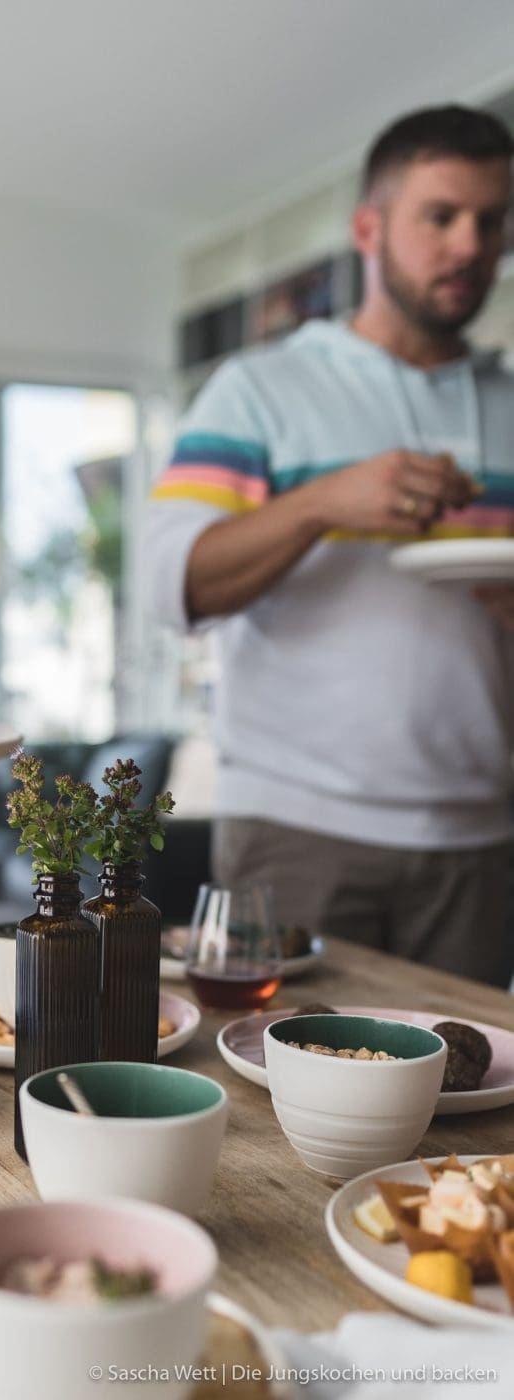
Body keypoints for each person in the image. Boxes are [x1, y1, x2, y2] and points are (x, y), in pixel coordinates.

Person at [146, 104, 514, 985]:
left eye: (490, 220)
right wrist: (323, 502)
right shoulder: (260, 389)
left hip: (481, 841)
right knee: (273, 1102)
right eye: (440, 216)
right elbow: (170, 585)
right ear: (367, 228)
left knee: (465, 1112)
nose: (468, 244)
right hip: (297, 831)